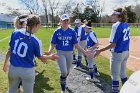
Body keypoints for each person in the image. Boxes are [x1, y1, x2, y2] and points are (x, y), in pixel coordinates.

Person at [6, 14, 59, 93]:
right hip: (27, 71)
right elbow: (40, 57)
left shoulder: (15, 32)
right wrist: (50, 57)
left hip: (13, 69)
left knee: (11, 91)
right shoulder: (36, 41)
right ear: (36, 25)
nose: (40, 27)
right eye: (39, 25)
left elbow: (11, 48)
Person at [45, 14, 92, 93]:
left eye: (67, 20)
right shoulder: (57, 31)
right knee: (64, 72)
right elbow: (53, 43)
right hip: (60, 53)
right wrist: (49, 51)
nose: (66, 22)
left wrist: (84, 51)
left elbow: (76, 44)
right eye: (64, 20)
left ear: (69, 21)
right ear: (60, 22)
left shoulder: (72, 31)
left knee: (67, 72)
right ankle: (63, 89)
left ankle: (63, 81)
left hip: (69, 53)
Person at [94, 8, 130, 93]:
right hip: (126, 52)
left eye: (113, 14)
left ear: (119, 16)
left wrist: (100, 50)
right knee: (123, 74)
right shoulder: (126, 24)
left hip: (118, 54)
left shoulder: (116, 25)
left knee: (114, 76)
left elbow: (113, 44)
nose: (111, 16)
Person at [3, 15, 28, 93]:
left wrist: (5, 63)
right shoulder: (27, 34)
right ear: (24, 23)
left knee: (14, 85)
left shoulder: (14, 32)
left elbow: (9, 50)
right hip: (23, 66)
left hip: (14, 65)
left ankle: (17, 88)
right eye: (27, 21)